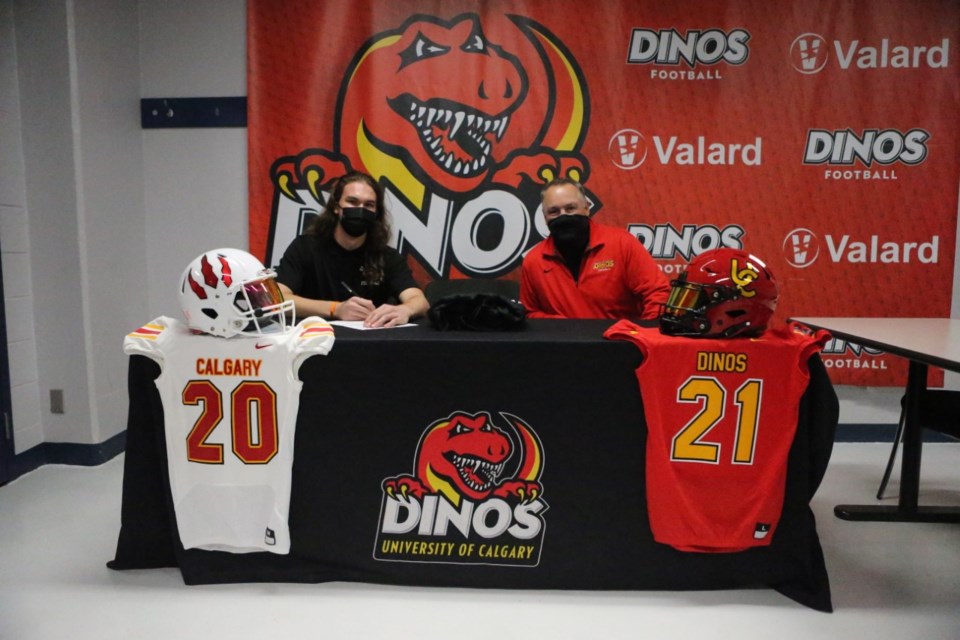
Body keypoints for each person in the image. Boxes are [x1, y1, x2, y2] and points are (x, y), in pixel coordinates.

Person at [275, 171, 429, 327]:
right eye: (352, 202)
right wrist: (335, 309)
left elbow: (419, 301)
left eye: (368, 205)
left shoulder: (387, 256)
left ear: (376, 213)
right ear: (336, 207)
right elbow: (277, 298)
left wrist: (404, 310)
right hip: (314, 340)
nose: (360, 209)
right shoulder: (305, 247)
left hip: (369, 342)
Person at [520, 177, 670, 319]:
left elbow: (657, 294)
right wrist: (562, 327)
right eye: (554, 211)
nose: (563, 216)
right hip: (564, 345)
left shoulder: (622, 244)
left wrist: (644, 335)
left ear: (586, 208)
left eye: (570, 208)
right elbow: (530, 313)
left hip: (620, 342)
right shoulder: (534, 261)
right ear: (544, 216)